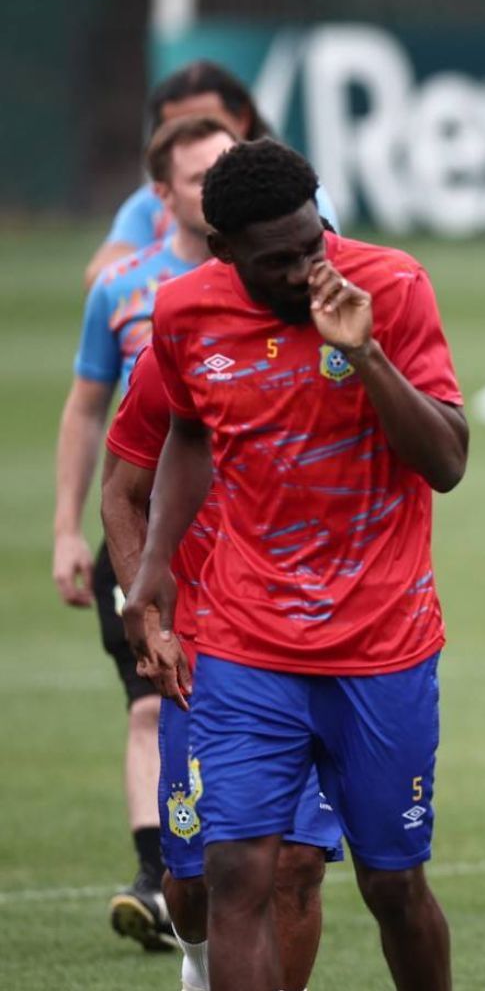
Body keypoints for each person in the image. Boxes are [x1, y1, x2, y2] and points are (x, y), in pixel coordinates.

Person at [121, 138, 466, 990]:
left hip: (383, 643)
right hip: (245, 643)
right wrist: (152, 570)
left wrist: (366, 350)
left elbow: (449, 462)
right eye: (280, 261)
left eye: (314, 245)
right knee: (238, 875)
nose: (307, 270)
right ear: (224, 252)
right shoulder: (183, 314)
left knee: (393, 883)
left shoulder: (391, 286)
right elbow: (188, 436)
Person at [100, 347, 342, 991]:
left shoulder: (348, 346)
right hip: (207, 647)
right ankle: (202, 966)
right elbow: (121, 492)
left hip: (317, 646)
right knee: (195, 880)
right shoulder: (177, 351)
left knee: (296, 862)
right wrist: (150, 619)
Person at [52, 114, 235, 950]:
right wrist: (66, 528)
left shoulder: (278, 282)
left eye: (226, 169)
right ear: (160, 195)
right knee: (152, 704)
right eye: (198, 176)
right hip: (148, 534)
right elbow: (87, 409)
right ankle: (157, 870)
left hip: (247, 537)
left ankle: (217, 874)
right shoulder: (125, 291)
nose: (214, 187)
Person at [82, 60, 338, 286]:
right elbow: (103, 278)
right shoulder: (152, 201)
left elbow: (326, 264)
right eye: (177, 128)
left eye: (207, 123)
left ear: (242, 120)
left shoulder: (296, 195)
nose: (194, 135)